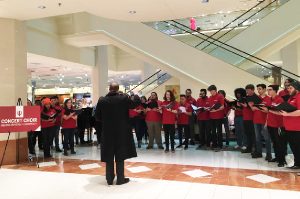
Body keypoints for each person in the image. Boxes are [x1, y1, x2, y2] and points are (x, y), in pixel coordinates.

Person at [95, 82, 137, 185]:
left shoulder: (102, 100)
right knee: (120, 154)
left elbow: (97, 117)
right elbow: (134, 104)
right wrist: (133, 95)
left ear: (109, 89)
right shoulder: (123, 98)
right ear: (118, 89)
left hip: (107, 131)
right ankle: (120, 179)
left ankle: (109, 179)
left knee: (109, 155)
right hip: (121, 132)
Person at [264, 85, 286, 167]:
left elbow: (281, 112)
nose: (268, 91)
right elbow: (268, 112)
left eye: (270, 90)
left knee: (279, 143)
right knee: (274, 143)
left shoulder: (279, 99)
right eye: (267, 90)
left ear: (275, 91)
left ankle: (282, 160)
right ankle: (277, 157)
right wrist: (266, 122)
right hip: (270, 124)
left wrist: (270, 110)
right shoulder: (269, 99)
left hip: (278, 125)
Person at [280, 81, 300, 169]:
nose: (289, 90)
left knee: (298, 147)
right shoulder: (290, 98)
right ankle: (297, 164)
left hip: (297, 128)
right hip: (289, 127)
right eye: (288, 88)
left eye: (291, 88)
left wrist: (287, 114)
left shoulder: (299, 97)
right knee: (294, 147)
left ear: (297, 89)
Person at [250, 84, 272, 161]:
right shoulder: (256, 98)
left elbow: (268, 110)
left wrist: (258, 108)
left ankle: (268, 155)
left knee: (267, 138)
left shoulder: (269, 99)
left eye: (260, 89)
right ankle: (259, 153)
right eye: (258, 89)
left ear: (264, 89)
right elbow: (253, 109)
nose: (258, 91)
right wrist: (251, 106)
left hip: (264, 121)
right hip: (256, 120)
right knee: (257, 138)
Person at [239, 84, 256, 154]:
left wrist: (247, 106)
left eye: (248, 90)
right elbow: (244, 106)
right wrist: (240, 104)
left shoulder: (256, 97)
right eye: (246, 90)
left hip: (252, 118)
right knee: (247, 134)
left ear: (253, 90)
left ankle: (254, 149)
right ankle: (249, 148)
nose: (247, 92)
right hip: (245, 118)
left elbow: (256, 108)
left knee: (253, 134)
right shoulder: (246, 97)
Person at [207, 85, 225, 151]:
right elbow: (209, 106)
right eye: (210, 91)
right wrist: (207, 109)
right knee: (213, 132)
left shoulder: (220, 96)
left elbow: (222, 107)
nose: (210, 92)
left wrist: (216, 110)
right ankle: (214, 144)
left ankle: (220, 145)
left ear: (215, 90)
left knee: (219, 132)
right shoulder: (209, 97)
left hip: (219, 117)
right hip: (211, 117)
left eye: (211, 91)